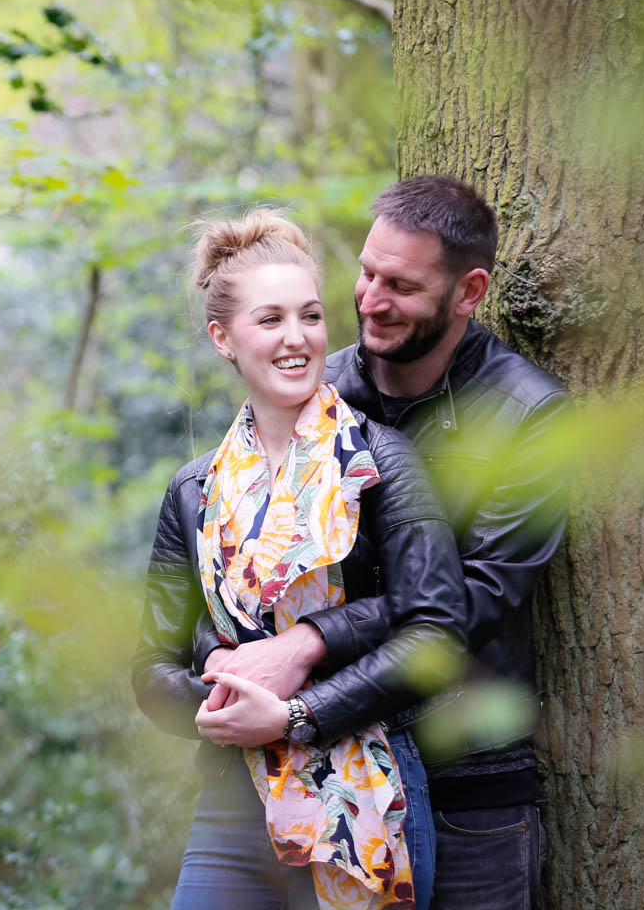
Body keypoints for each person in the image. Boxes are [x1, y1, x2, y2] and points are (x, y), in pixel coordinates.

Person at [196, 177, 570, 910]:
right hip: (316, 768)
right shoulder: (314, 384)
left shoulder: (529, 416)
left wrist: (307, 645)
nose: (368, 299)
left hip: (466, 776)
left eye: (399, 285)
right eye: (367, 272)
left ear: (469, 293)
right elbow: (242, 554)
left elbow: (473, 604)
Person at [131, 208, 467, 910]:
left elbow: (437, 633)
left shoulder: (381, 464)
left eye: (310, 317)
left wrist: (296, 715)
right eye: (271, 320)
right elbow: (151, 667)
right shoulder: (194, 491)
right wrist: (222, 703)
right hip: (232, 798)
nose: (296, 339)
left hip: (366, 793)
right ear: (223, 338)